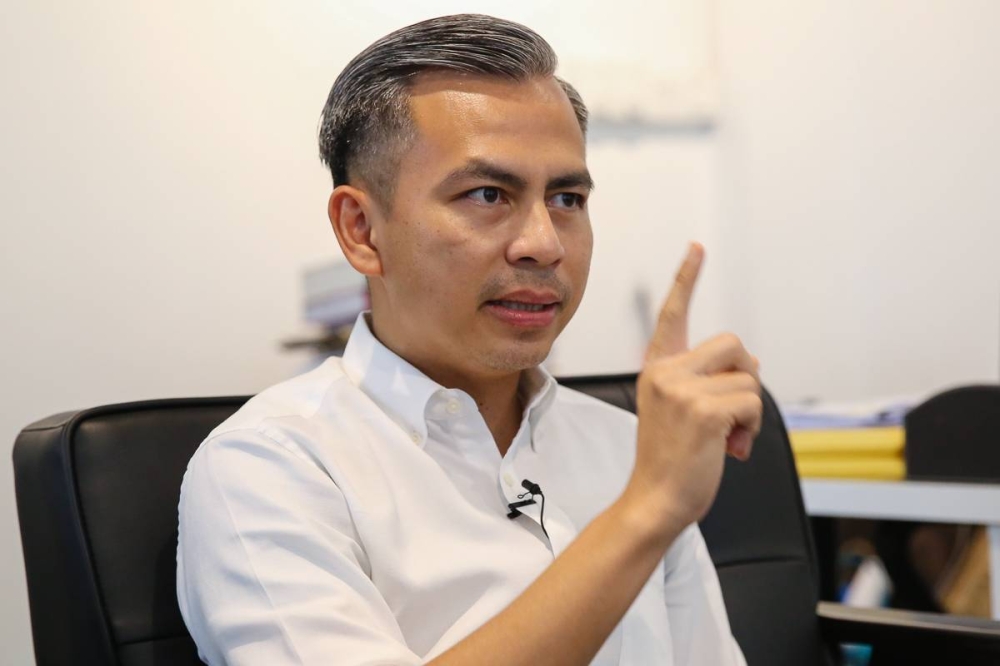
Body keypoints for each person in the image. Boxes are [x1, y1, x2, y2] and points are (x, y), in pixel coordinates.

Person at [177, 13, 761, 666]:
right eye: (488, 194)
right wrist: (645, 512)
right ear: (361, 230)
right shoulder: (270, 467)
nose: (543, 243)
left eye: (567, 198)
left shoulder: (629, 448)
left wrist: (650, 493)